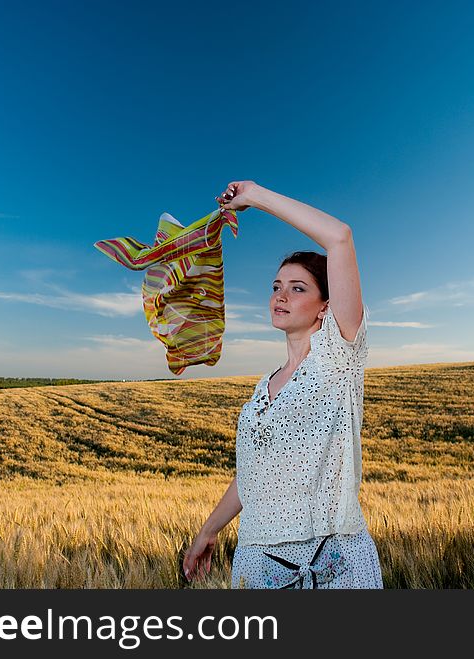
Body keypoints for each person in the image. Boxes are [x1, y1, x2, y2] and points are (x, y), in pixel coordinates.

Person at [181, 180, 383, 589]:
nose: (281, 296)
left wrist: (254, 195)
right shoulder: (262, 389)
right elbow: (253, 473)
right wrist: (209, 530)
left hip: (334, 561)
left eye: (297, 288)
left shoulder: (338, 355)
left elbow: (340, 237)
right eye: (276, 287)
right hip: (258, 564)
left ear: (325, 304)